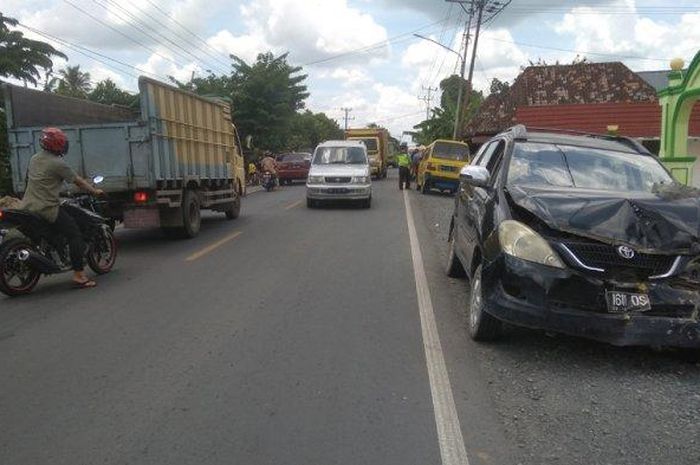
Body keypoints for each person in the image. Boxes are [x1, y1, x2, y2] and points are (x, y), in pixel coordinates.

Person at [20, 127, 105, 289]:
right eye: (63, 142)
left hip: (27, 206)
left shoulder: (34, 159)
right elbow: (78, 181)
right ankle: (79, 275)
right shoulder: (58, 163)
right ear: (58, 145)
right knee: (74, 234)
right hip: (47, 207)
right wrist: (95, 191)